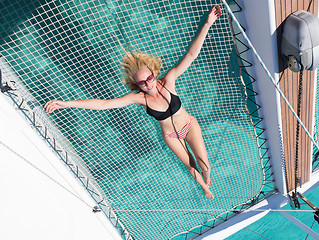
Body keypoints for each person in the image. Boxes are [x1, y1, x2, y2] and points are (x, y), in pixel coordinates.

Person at [45, 5, 222, 199]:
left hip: (189, 125)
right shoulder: (139, 99)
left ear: (154, 74)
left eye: (150, 79)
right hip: (171, 136)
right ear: (136, 84)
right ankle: (205, 187)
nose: (148, 84)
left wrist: (208, 23)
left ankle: (207, 176)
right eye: (142, 83)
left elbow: (191, 55)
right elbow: (104, 104)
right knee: (190, 165)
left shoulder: (169, 80)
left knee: (204, 164)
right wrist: (67, 103)